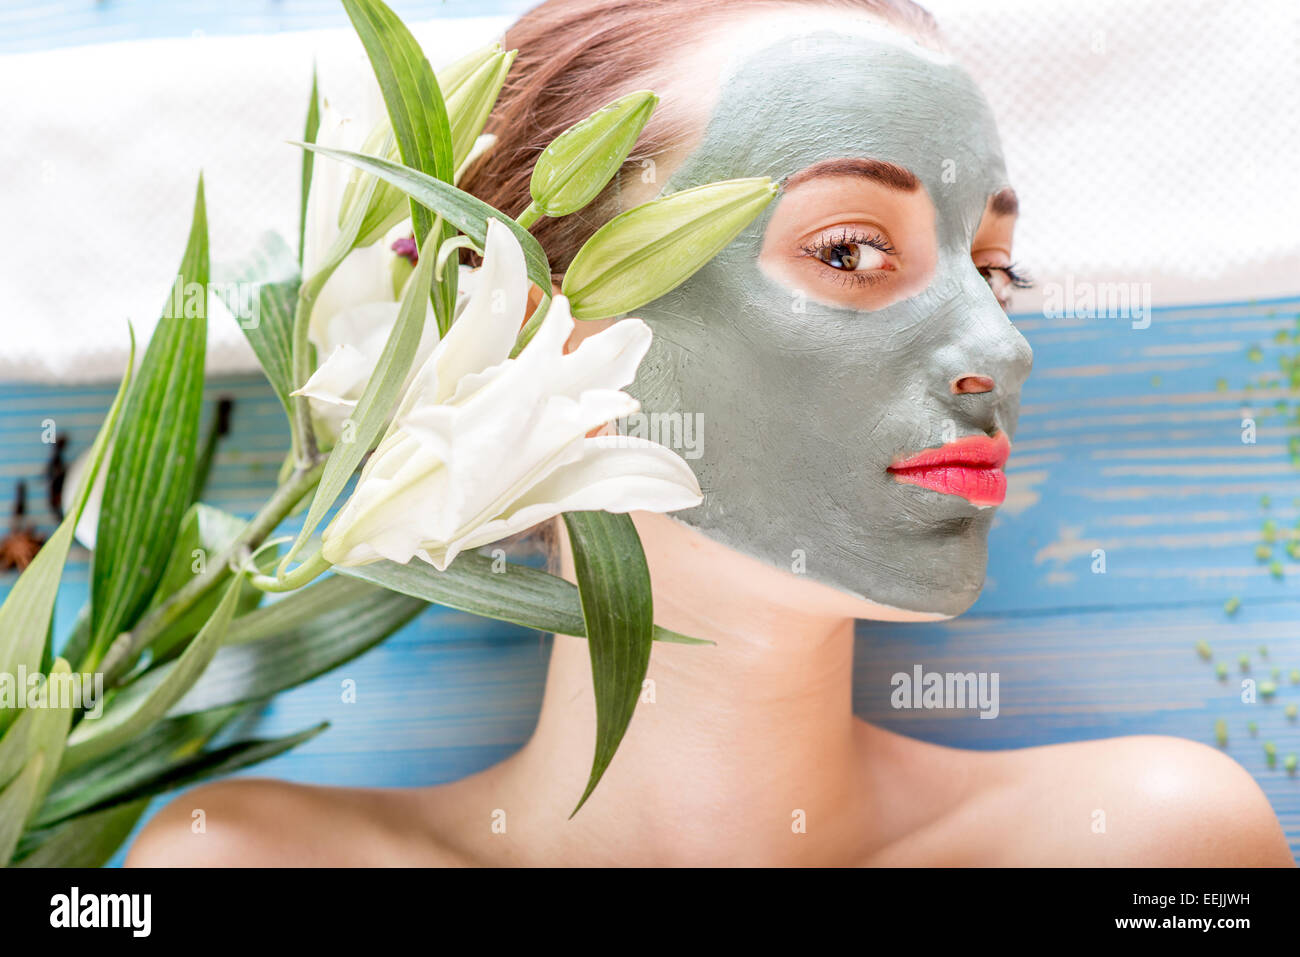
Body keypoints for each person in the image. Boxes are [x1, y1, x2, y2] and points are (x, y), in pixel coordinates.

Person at [128, 0, 1291, 867]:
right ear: (526, 327)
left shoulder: (1150, 850)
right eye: (847, 251)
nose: (1000, 347)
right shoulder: (231, 862)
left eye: (995, 269)